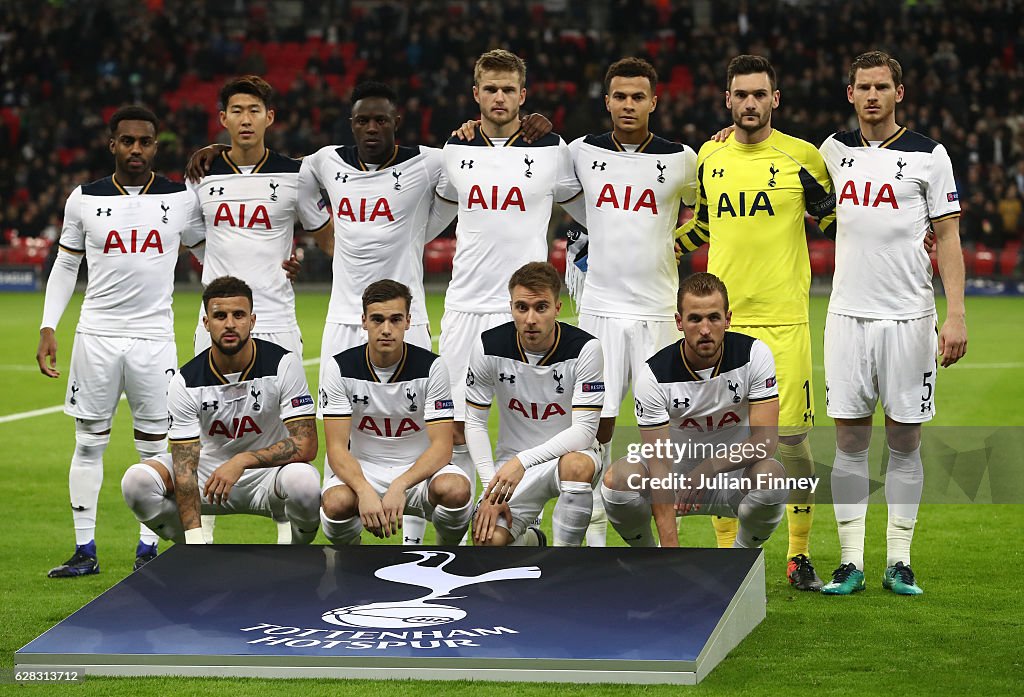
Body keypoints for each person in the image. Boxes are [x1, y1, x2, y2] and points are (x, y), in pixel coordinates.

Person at [675, 55, 836, 590]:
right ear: (727, 100)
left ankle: (798, 555)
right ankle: (728, 557)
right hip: (719, 327)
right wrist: (650, 252)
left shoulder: (803, 158)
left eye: (759, 94)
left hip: (785, 321)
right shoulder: (709, 156)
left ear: (775, 99)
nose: (749, 103)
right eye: (740, 94)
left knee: (790, 442)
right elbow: (700, 227)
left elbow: (839, 222)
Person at [818, 51, 967, 595]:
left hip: (909, 318)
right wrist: (724, 136)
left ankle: (899, 562)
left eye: (883, 86)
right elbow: (770, 159)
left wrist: (955, 314)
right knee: (849, 442)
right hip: (847, 317)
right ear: (850, 93)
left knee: (905, 442)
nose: (873, 95)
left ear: (899, 92)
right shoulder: (830, 152)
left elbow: (948, 236)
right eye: (864, 87)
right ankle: (851, 562)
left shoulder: (931, 156)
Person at [36, 105, 205, 577]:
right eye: (127, 140)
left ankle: (147, 551)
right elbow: (67, 265)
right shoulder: (84, 198)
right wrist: (49, 325)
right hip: (97, 336)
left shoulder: (180, 198)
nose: (136, 149)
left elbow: (208, 251)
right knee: (88, 443)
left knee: (155, 449)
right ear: (112, 144)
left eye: (144, 141)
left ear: (156, 146)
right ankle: (84, 550)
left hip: (155, 339)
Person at [435, 49, 581, 520]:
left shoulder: (552, 150)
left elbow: (591, 206)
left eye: (508, 89)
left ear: (524, 94)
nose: (499, 97)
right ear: (475, 94)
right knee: (456, 424)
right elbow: (430, 215)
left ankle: (531, 522)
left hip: (527, 309)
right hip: (466, 306)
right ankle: (465, 520)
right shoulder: (454, 150)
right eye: (490, 89)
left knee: (540, 427)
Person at [565, 57, 698, 546]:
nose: (628, 105)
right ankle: (593, 536)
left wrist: (674, 245)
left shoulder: (681, 158)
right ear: (607, 102)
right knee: (593, 426)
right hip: (599, 310)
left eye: (637, 96)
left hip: (659, 312)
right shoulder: (580, 152)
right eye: (619, 96)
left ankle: (668, 542)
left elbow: (705, 207)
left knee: (661, 433)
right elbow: (557, 191)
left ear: (654, 102)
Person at [188, 75, 321, 544]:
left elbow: (324, 235)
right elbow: (191, 236)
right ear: (222, 118)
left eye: (254, 110)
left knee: (283, 424)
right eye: (236, 111)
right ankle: (201, 528)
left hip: (277, 316)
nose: (246, 119)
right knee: (205, 420)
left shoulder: (296, 174)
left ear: (270, 117)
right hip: (216, 318)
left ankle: (285, 525)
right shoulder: (201, 175)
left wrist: (300, 255)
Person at [120, 276, 322, 544]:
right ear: (206, 323)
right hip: (207, 477)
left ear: (252, 320)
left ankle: (298, 554)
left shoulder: (283, 365)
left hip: (267, 477)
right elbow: (184, 466)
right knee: (136, 482)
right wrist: (194, 537)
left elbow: (306, 445)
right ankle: (193, 552)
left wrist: (241, 460)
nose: (229, 324)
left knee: (305, 482)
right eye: (220, 315)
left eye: (238, 315)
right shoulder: (185, 381)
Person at [602, 273, 791, 549]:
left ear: (728, 318)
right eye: (695, 319)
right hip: (671, 481)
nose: (705, 329)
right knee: (617, 480)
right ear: (679, 322)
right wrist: (671, 554)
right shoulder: (654, 375)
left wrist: (707, 469)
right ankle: (650, 559)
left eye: (714, 318)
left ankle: (740, 559)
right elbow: (659, 467)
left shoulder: (754, 356)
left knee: (771, 477)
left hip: (732, 478)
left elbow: (765, 443)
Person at [318, 280, 472, 545]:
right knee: (335, 502)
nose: (386, 329)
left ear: (408, 321)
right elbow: (336, 449)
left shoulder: (432, 367)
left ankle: (447, 553)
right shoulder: (339, 368)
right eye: (377, 320)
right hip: (364, 470)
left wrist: (400, 485)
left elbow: (442, 448)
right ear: (364, 321)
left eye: (395, 319)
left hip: (419, 472)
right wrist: (363, 489)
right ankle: (350, 560)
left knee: (456, 489)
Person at [467, 262, 604, 546]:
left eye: (541, 307)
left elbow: (584, 433)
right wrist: (490, 489)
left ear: (557, 307)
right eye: (521, 308)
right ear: (511, 307)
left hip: (569, 456)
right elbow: (475, 422)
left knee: (577, 466)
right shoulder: (487, 347)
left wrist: (523, 461)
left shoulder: (586, 349)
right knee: (486, 541)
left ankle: (564, 563)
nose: (530, 319)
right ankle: (531, 541)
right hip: (511, 463)